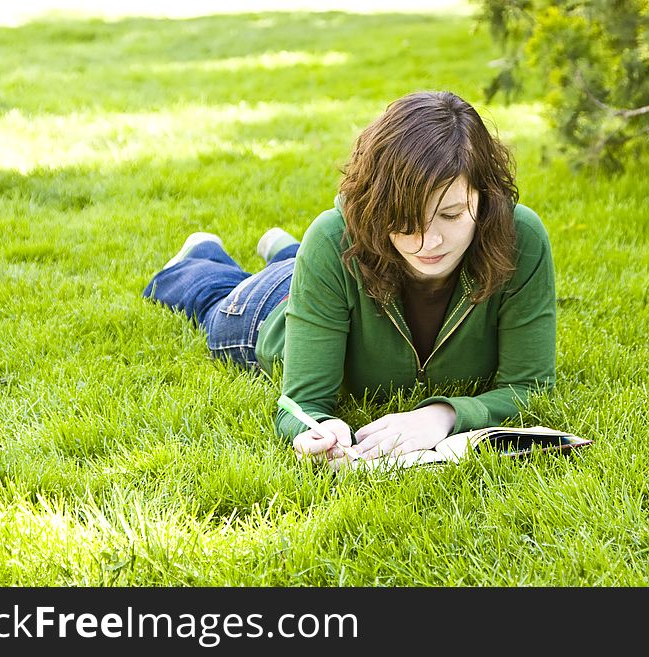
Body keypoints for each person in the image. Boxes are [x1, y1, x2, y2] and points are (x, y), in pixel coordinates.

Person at [143, 90, 556, 465]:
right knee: (214, 298)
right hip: (270, 308)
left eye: (450, 215)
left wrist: (442, 415)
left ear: (485, 196)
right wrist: (318, 432)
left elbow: (529, 385)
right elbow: (301, 401)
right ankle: (202, 254)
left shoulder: (520, 238)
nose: (430, 240)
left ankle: (287, 252)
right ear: (376, 207)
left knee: (310, 263)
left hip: (324, 281)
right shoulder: (330, 239)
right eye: (405, 220)